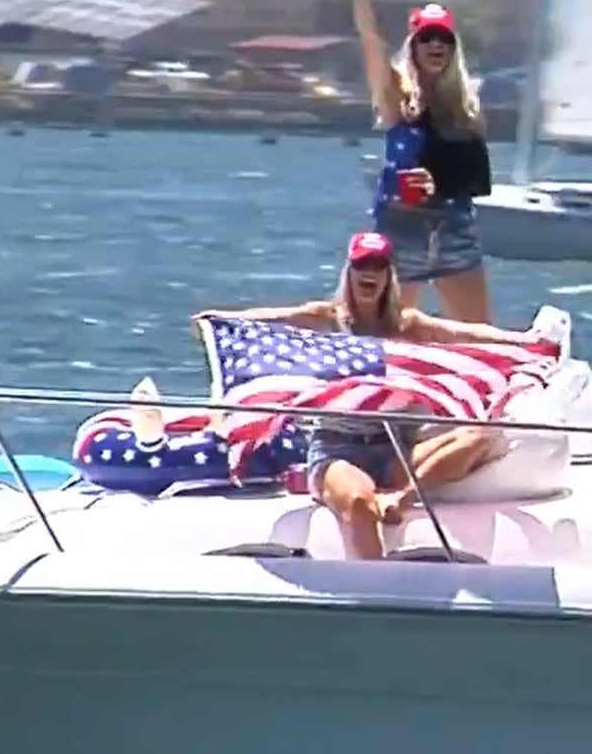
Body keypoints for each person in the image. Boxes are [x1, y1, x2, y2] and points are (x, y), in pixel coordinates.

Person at [193, 232, 535, 560]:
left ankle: (402, 498)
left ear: (388, 276)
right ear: (350, 272)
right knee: (359, 503)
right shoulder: (325, 318)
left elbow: (468, 334)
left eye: (377, 266)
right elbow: (267, 320)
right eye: (362, 265)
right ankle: (379, 588)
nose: (369, 274)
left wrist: (522, 343)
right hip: (338, 449)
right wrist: (220, 321)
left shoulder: (407, 325)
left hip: (397, 449)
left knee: (479, 435)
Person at [342, 0, 494, 322]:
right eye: (426, 37)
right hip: (401, 229)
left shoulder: (466, 103)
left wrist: (438, 183)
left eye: (442, 38)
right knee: (382, 331)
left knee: (479, 335)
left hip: (454, 230)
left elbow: (480, 180)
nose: (435, 45)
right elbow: (371, 43)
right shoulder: (396, 95)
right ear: (413, 44)